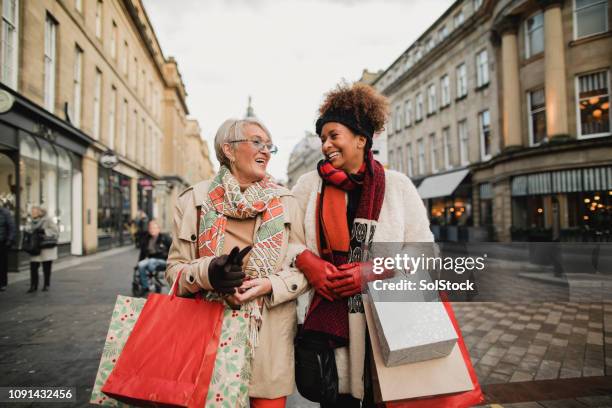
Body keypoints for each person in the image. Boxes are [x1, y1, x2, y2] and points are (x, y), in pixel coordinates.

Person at [292, 82, 434, 407]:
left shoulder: (398, 186)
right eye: (323, 138)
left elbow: (423, 250)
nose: (326, 145)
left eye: (333, 135)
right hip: (331, 326)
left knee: (382, 399)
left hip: (386, 322)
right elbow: (288, 240)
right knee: (336, 401)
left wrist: (373, 271)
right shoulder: (307, 186)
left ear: (361, 139)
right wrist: (306, 261)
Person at [166, 117, 308, 408]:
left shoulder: (286, 201)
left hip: (268, 342)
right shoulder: (193, 200)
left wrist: (270, 284)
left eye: (270, 146)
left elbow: (303, 268)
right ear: (228, 150)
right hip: (206, 338)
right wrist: (209, 273)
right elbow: (174, 270)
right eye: (257, 142)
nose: (266, 151)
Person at [27, 206, 59, 293]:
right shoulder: (30, 221)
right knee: (33, 267)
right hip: (35, 247)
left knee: (46, 267)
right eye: (32, 211)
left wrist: (44, 231)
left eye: (34, 211)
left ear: (40, 212)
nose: (32, 213)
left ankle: (46, 284)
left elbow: (55, 231)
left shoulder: (47, 220)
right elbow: (28, 230)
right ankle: (33, 286)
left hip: (46, 248)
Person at [137, 219, 172, 294]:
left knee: (151, 262)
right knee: (141, 264)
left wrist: (171, 261)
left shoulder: (165, 238)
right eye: (150, 228)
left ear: (158, 229)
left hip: (163, 260)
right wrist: (139, 262)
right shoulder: (146, 239)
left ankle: (154, 278)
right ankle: (145, 286)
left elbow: (173, 250)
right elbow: (142, 253)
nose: (152, 229)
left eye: (154, 228)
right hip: (151, 260)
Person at [0, 204, 16, 291]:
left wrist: (9, 240)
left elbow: (12, 226)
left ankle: (2, 283)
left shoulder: (4, 212)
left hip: (2, 242)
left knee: (2, 263)